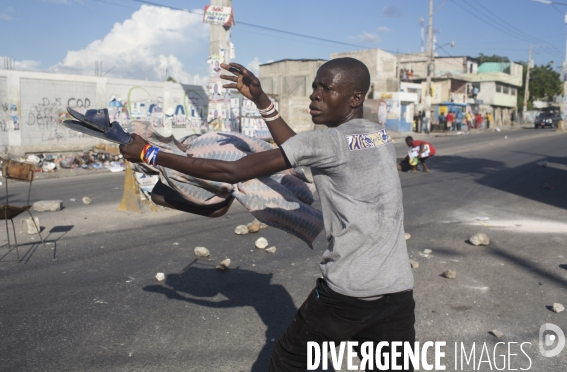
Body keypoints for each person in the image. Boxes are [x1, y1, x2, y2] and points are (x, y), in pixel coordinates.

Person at [120, 58, 416, 371]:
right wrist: (262, 101)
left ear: (355, 98)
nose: (314, 94)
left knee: (287, 361)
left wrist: (150, 153)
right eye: (315, 86)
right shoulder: (378, 136)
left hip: (349, 292)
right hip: (396, 290)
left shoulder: (329, 142)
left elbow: (231, 171)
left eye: (325, 88)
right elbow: (301, 148)